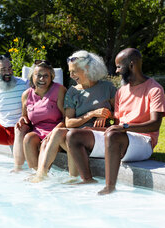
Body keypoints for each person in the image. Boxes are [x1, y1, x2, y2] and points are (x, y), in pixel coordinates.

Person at [66, 48, 165, 194]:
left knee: (113, 135)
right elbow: (117, 125)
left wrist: (124, 128)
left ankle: (110, 187)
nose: (116, 71)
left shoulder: (154, 89)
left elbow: (155, 124)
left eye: (119, 66)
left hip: (143, 142)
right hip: (120, 137)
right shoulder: (121, 91)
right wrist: (98, 129)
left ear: (132, 65)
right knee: (74, 135)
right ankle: (87, 179)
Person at [32, 51, 116, 182]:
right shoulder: (73, 92)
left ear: (87, 69)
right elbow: (69, 123)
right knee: (59, 132)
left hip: (96, 138)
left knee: (71, 138)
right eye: (70, 71)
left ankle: (73, 178)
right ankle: (42, 174)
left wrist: (106, 115)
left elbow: (119, 114)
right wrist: (92, 114)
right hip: (76, 137)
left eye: (74, 71)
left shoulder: (108, 87)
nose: (71, 75)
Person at [12, 60, 67, 171]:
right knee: (28, 139)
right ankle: (35, 173)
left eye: (46, 76)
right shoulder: (26, 94)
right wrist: (22, 119)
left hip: (57, 130)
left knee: (45, 144)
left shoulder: (59, 90)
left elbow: (66, 117)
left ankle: (42, 174)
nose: (42, 79)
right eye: (39, 75)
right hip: (37, 131)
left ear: (51, 77)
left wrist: (54, 133)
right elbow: (25, 116)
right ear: (32, 77)